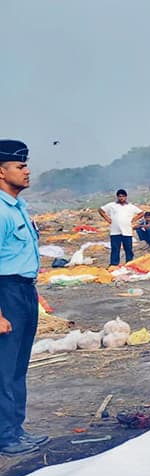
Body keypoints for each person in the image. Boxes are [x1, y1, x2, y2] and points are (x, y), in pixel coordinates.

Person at [0, 140, 49, 456]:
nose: (27, 171)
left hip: (23, 291)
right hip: (6, 293)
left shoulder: (18, 206)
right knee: (4, 368)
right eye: (19, 166)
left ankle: (16, 430)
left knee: (18, 366)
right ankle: (5, 435)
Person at [99, 189, 146, 266]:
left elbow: (141, 213)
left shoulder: (131, 207)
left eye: (123, 196)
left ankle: (129, 264)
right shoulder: (112, 205)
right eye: (119, 196)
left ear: (126, 197)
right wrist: (107, 218)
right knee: (115, 249)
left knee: (128, 249)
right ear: (117, 197)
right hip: (115, 231)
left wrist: (134, 219)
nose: (121, 198)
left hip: (127, 231)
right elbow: (100, 210)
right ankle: (114, 264)